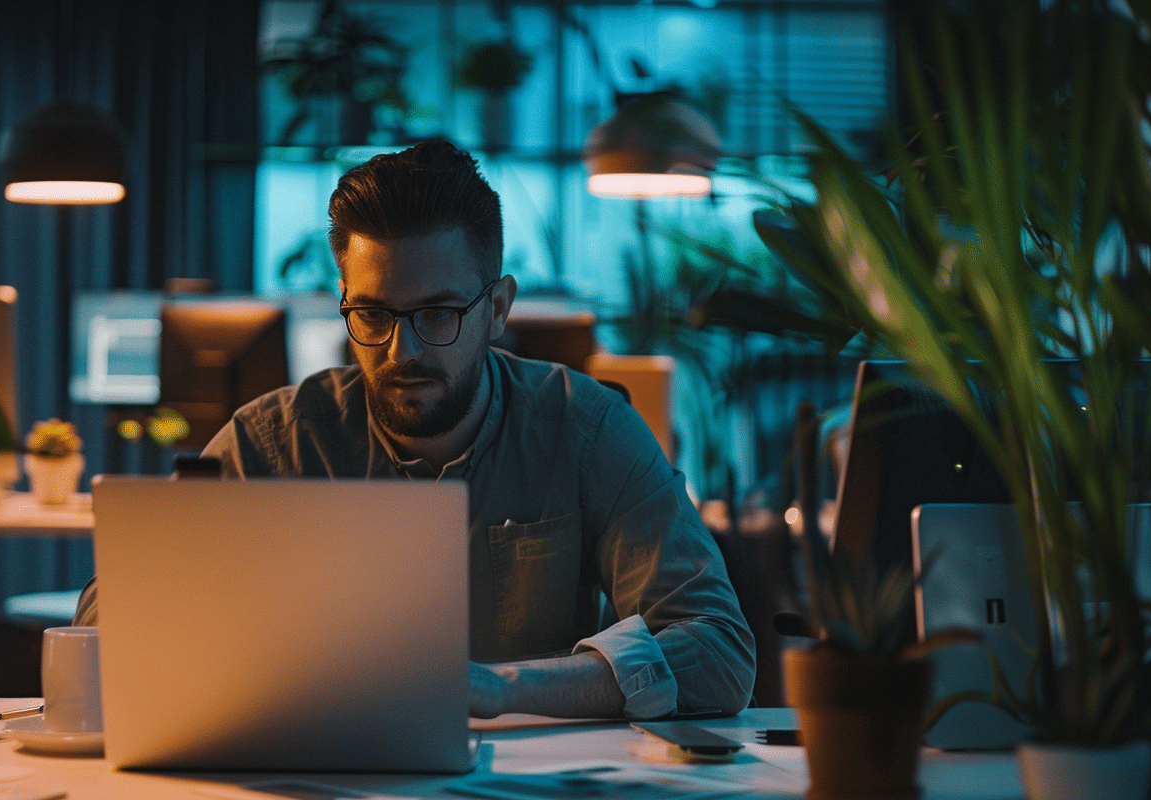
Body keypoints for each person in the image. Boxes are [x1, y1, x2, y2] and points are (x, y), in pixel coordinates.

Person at [201, 140, 755, 720]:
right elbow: (107, 623)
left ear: (497, 309)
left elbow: (719, 651)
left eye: (438, 313)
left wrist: (506, 688)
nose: (401, 350)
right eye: (372, 314)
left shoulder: (588, 431)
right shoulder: (272, 442)